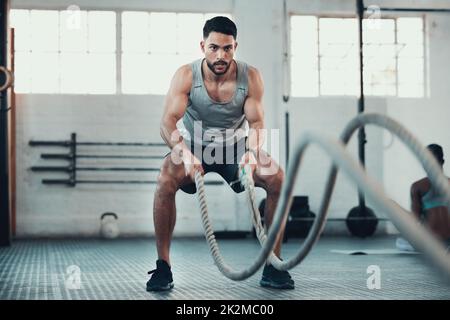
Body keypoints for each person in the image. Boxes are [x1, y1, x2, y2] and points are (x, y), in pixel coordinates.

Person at [146, 16, 293, 291]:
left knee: (278, 179)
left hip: (236, 148)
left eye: (227, 48)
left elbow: (258, 123)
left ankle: (274, 265)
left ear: (235, 46)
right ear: (203, 46)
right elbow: (167, 122)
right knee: (165, 180)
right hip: (194, 147)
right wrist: (185, 154)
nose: (221, 55)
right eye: (214, 47)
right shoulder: (186, 76)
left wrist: (252, 152)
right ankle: (163, 267)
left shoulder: (250, 77)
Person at [396, 144, 450, 251]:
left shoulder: (417, 186)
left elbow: (414, 220)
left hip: (429, 243)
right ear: (443, 162)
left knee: (389, 204)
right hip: (448, 242)